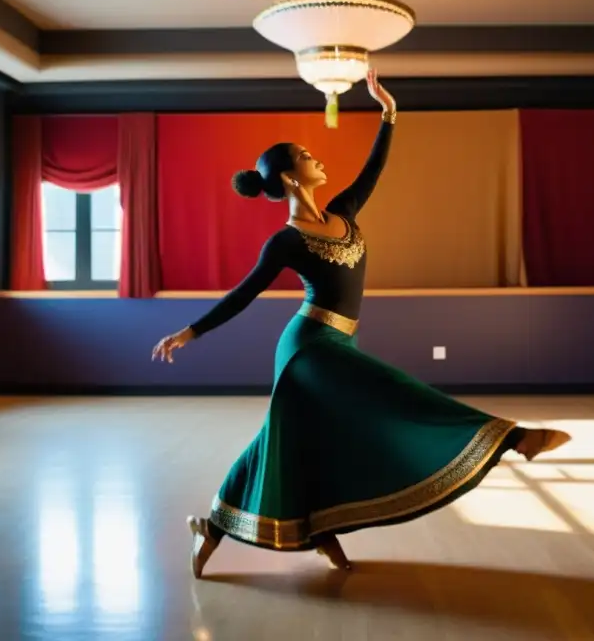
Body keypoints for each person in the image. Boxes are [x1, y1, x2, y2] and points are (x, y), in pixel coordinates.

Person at [152, 70, 571, 579]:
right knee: (388, 388)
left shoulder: (344, 210)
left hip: (335, 341)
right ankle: (513, 438)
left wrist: (388, 113)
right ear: (288, 177)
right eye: (307, 158)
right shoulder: (283, 242)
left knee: (288, 442)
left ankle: (221, 526)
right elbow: (243, 294)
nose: (317, 160)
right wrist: (189, 332)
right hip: (308, 346)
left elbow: (374, 169)